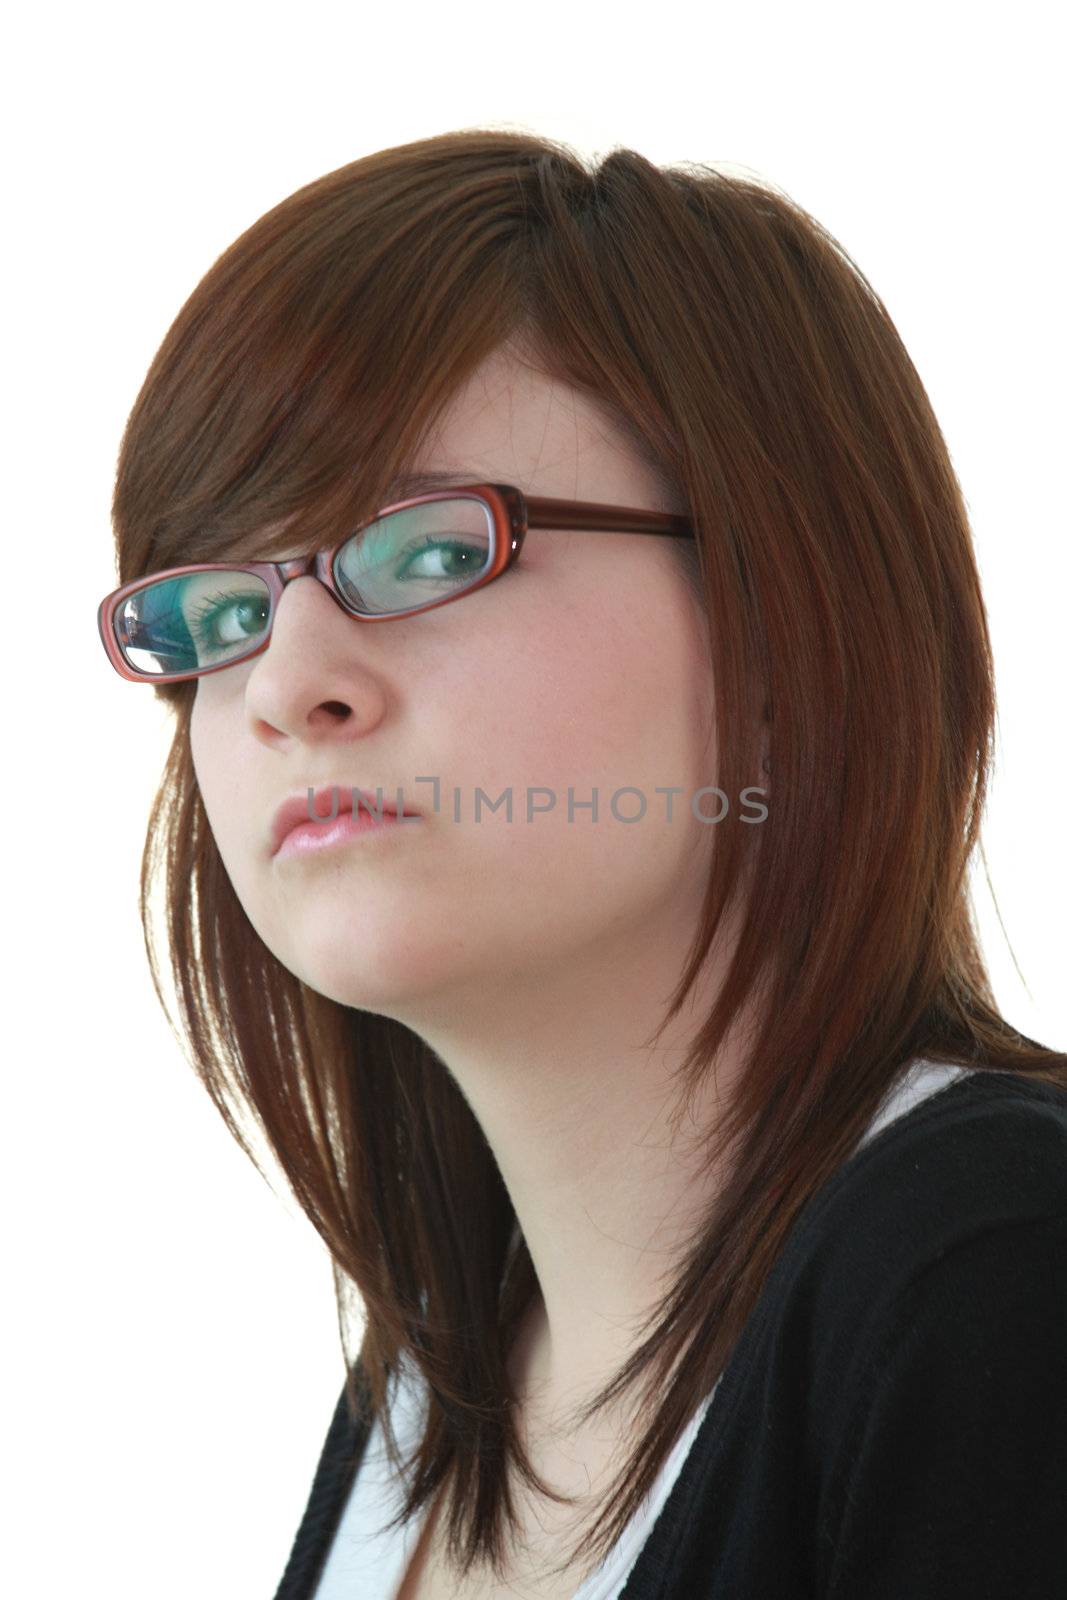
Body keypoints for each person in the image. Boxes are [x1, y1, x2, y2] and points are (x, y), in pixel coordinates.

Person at [97, 129, 1067, 1599]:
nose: (290, 681)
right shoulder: (428, 1387)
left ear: (782, 618)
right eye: (216, 614)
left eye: (425, 555)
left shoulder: (996, 1276)